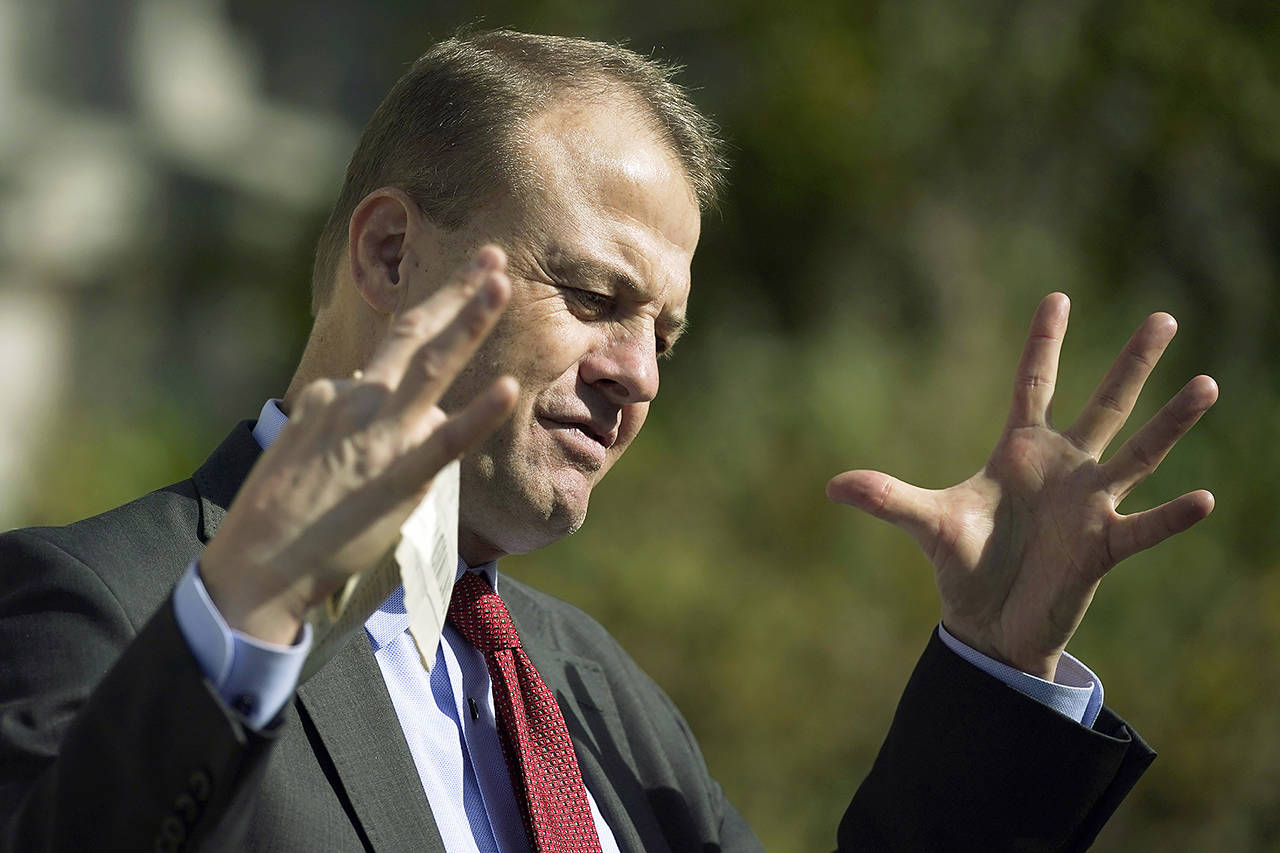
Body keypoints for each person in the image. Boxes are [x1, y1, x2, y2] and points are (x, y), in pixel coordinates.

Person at [0, 30, 1218, 853]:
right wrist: (248, 617)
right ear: (388, 255)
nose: (635, 373)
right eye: (590, 296)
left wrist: (995, 675)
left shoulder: (588, 690)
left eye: (664, 335)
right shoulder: (98, 607)